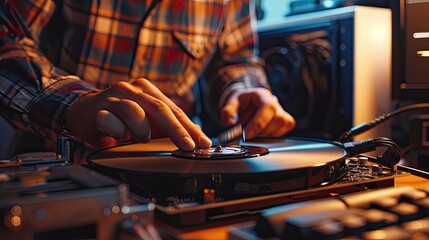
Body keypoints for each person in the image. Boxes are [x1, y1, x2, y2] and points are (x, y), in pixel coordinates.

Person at [0, 0, 295, 156]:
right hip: (60, 169)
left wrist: (243, 90)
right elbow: (7, 36)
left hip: (181, 178)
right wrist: (74, 104)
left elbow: (236, 60)